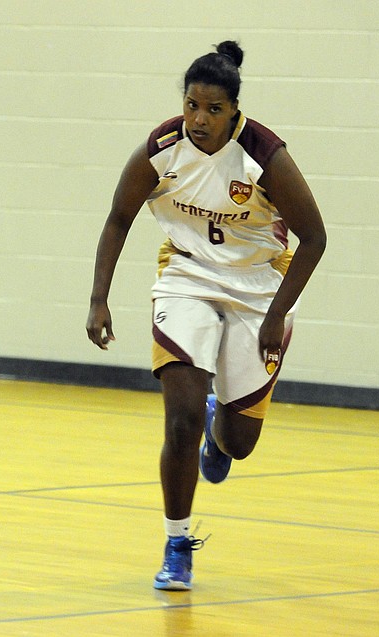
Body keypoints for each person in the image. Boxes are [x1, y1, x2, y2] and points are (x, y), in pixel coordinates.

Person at [86, 41, 326, 591]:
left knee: (239, 443)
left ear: (234, 110)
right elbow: (119, 217)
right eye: (192, 105)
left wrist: (277, 315)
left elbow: (314, 237)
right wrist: (99, 298)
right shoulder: (162, 147)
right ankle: (177, 544)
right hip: (187, 276)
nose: (199, 119)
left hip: (260, 287)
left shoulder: (263, 154)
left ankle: (219, 432)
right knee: (180, 418)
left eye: (213, 109)